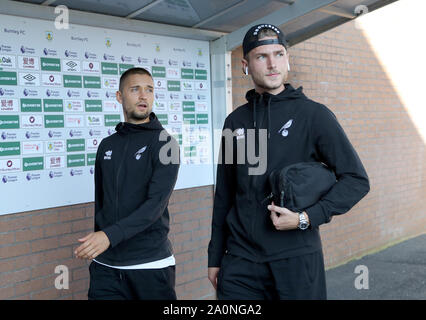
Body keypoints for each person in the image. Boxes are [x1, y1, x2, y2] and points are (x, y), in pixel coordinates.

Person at [207, 24, 370, 300]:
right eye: (262, 57)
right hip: (241, 261)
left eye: (279, 54)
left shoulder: (313, 115)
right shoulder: (235, 122)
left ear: (287, 59)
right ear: (246, 65)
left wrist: (306, 219)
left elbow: (356, 180)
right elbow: (225, 193)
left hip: (296, 259)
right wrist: (215, 255)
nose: (272, 64)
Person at [75, 67, 180, 300]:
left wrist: (108, 236)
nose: (143, 96)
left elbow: (155, 206)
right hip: (107, 267)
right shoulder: (107, 145)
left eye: (149, 90)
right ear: (120, 97)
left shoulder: (166, 144)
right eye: (135, 89)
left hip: (150, 266)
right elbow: (101, 203)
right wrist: (99, 245)